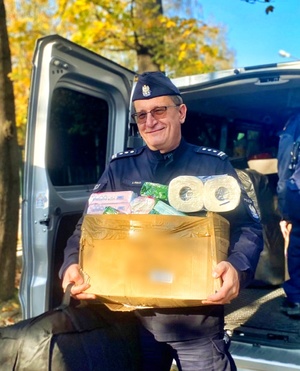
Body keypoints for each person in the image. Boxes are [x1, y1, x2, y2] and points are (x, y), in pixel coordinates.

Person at [59, 71, 263, 370]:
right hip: (132, 320)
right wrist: (71, 263)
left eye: (158, 110)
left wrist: (237, 267)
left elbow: (249, 226)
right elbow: (88, 226)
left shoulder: (213, 164)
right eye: (141, 115)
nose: (150, 121)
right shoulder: (120, 168)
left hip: (196, 323)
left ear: (181, 112)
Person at [277, 114, 300, 317]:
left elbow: (285, 170)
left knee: (297, 246)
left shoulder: (293, 125)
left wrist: (284, 213)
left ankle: (296, 299)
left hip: (298, 194)